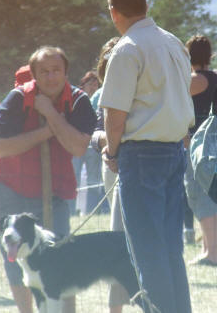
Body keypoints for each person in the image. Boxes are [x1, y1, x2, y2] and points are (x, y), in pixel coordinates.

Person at [99, 0, 194, 313]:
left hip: (141, 157)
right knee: (170, 251)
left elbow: (115, 115)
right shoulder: (173, 43)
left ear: (114, 12)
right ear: (145, 6)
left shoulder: (126, 49)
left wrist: (111, 152)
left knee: (147, 253)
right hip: (173, 152)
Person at [0, 46, 97, 313]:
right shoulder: (16, 99)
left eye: (56, 70)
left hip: (55, 191)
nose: (51, 77)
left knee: (62, 256)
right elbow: (3, 148)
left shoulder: (79, 100)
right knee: (15, 258)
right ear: (34, 74)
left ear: (66, 72)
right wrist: (50, 130)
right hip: (10, 187)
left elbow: (78, 147)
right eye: (44, 72)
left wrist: (49, 113)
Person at [89, 36, 130, 313]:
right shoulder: (100, 95)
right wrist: (109, 145)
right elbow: (93, 133)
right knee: (119, 242)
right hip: (114, 167)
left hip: (138, 164)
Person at [184, 35, 217, 266]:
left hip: (196, 145)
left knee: (199, 194)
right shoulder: (216, 76)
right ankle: (208, 248)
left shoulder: (194, 80)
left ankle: (212, 253)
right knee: (203, 195)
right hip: (210, 143)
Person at [72, 70, 105, 216]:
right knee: (74, 178)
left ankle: (92, 210)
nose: (93, 87)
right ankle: (72, 210)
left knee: (93, 178)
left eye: (96, 84)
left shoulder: (100, 96)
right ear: (83, 84)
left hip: (92, 144)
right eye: (90, 84)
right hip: (77, 141)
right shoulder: (76, 98)